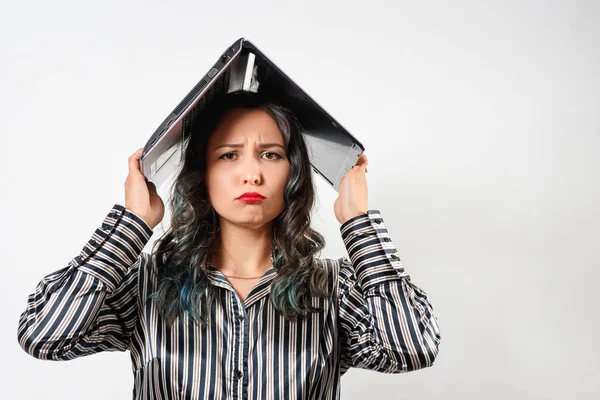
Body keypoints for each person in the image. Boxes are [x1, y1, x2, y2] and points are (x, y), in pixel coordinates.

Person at [17, 91, 441, 399]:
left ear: (294, 173)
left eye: (271, 155)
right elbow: (44, 334)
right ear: (202, 173)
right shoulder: (147, 282)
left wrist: (359, 224)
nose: (251, 174)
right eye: (229, 155)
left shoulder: (333, 288)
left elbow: (411, 348)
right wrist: (132, 224)